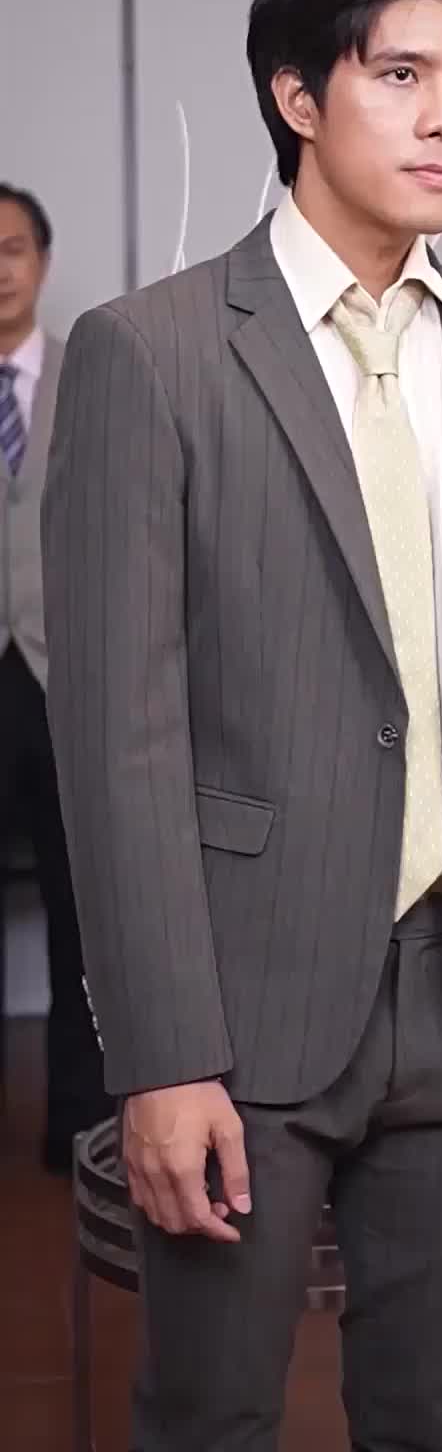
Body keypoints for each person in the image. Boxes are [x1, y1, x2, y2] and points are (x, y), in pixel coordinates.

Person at [43, 0, 442, 1452]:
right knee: (210, 1419)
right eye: (402, 75)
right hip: (241, 1000)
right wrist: (161, 1055)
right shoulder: (151, 353)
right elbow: (118, 743)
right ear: (298, 96)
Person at [0, 183, 109, 1170]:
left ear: (42, 261)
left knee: (85, 904)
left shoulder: (94, 378)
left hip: (65, 674)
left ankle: (77, 1118)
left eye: (13, 247)